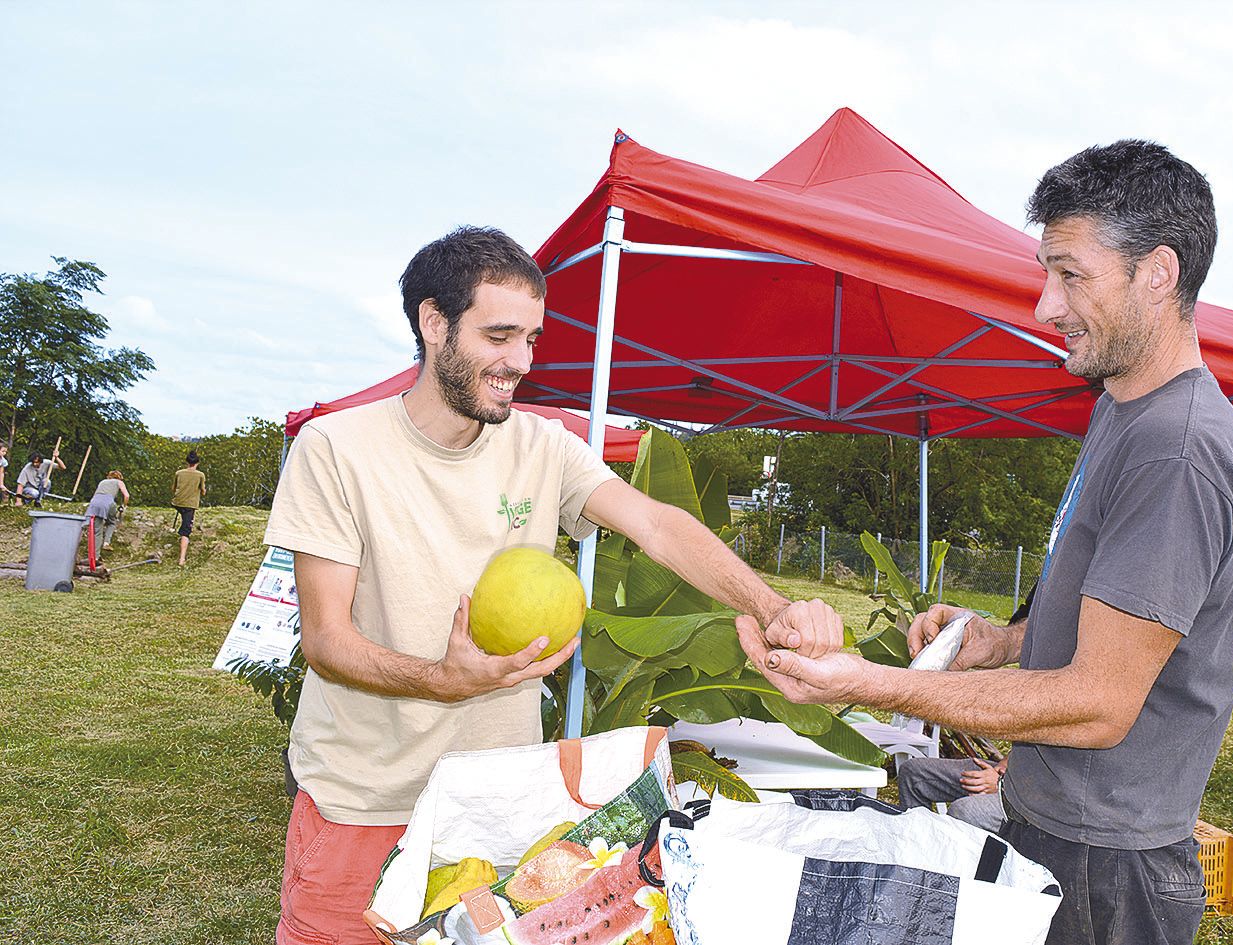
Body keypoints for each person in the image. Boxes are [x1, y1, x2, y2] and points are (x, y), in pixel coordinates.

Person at [738, 140, 1233, 945]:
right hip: (1060, 826)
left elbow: (1099, 700)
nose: (1044, 305)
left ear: (1158, 273)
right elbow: (1124, 625)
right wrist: (999, 639)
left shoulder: (1177, 447)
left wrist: (878, 682)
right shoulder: (1124, 408)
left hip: (1109, 867)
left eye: (1071, 274)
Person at [265, 226, 844, 945]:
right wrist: (442, 679)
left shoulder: (542, 446)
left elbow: (658, 525)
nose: (521, 362)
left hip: (501, 807)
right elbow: (325, 640)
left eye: (532, 339)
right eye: (500, 335)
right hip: (366, 802)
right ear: (433, 322)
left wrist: (773, 604)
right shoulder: (337, 450)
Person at [896, 753, 1007, 833]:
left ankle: (953, 863)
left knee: (965, 811)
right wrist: (1006, 763)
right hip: (1012, 772)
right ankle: (918, 851)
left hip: (1022, 795)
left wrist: (1002, 784)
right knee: (913, 772)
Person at [172, 451, 206, 566]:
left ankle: (180, 530)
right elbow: (203, 491)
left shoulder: (178, 473)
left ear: (187, 462)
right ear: (198, 462)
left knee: (183, 516)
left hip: (177, 502)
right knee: (186, 532)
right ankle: (182, 559)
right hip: (189, 505)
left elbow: (173, 488)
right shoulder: (200, 475)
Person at [87, 471, 130, 549]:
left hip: (94, 503)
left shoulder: (102, 482)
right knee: (112, 522)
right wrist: (124, 506)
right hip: (108, 502)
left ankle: (95, 557)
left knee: (97, 531)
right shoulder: (119, 482)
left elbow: (95, 495)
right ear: (119, 478)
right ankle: (106, 543)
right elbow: (126, 496)